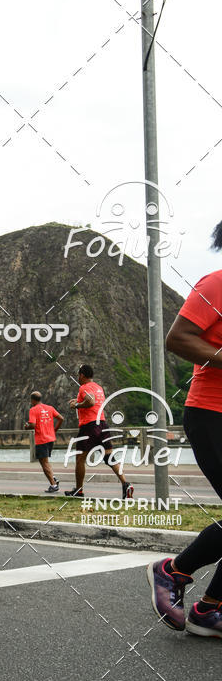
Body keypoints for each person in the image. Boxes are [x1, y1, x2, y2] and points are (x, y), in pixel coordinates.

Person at [147, 220, 222, 636]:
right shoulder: (216, 284)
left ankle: (209, 609)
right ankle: (172, 571)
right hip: (211, 413)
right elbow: (178, 338)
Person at [66, 364, 133, 499]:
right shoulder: (99, 387)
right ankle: (126, 484)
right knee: (109, 457)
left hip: (89, 426)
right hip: (102, 424)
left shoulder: (84, 387)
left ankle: (79, 490)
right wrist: (79, 401)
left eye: (79, 375)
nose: (78, 377)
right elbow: (93, 402)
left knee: (80, 459)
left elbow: (90, 402)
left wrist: (76, 405)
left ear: (82, 375)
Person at [25, 391, 63, 493]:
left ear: (32, 400)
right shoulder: (49, 408)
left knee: (44, 463)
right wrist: (54, 430)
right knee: (45, 462)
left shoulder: (33, 410)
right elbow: (61, 418)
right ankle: (53, 479)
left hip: (41, 439)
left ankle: (53, 485)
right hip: (50, 439)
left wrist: (26, 426)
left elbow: (32, 425)